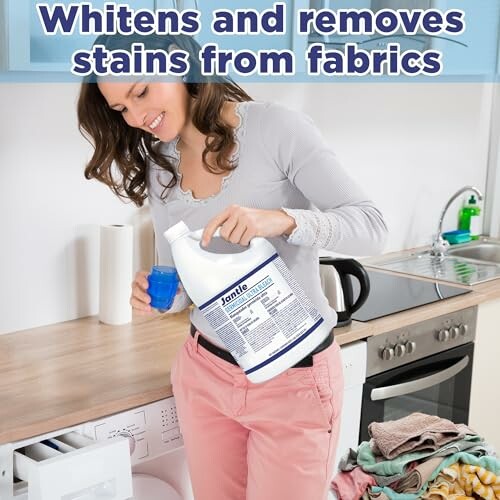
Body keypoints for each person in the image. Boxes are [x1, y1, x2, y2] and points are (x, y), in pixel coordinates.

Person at [78, 32, 387, 500]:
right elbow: (183, 277)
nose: (137, 117)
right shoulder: (161, 164)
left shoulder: (276, 128)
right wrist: (160, 293)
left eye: (141, 91)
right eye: (121, 109)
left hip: (294, 379)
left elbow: (372, 226)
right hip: (205, 374)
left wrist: (280, 220)